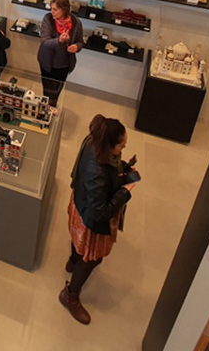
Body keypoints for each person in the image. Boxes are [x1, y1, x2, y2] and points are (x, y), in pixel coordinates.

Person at [60, 114, 135, 325]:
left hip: (80, 203)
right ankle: (70, 295)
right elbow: (100, 212)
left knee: (78, 244)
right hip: (90, 220)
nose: (123, 149)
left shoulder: (92, 141)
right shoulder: (97, 172)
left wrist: (122, 170)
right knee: (92, 258)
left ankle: (73, 261)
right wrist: (125, 191)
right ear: (109, 145)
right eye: (121, 146)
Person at [37, 0, 83, 106]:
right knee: (47, 90)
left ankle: (52, 106)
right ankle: (46, 107)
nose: (51, 12)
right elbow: (44, 42)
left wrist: (77, 47)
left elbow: (80, 42)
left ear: (64, 9)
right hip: (47, 62)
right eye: (51, 8)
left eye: (55, 9)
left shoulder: (76, 22)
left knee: (56, 91)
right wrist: (59, 40)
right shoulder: (48, 19)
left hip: (64, 65)